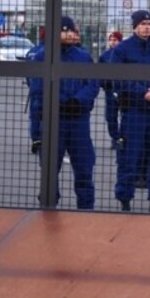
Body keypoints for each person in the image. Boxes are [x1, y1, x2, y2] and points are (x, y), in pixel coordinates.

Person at [30, 16, 99, 209]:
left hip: (79, 121)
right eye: (65, 30)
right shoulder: (43, 55)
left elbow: (92, 84)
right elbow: (38, 86)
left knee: (84, 167)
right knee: (50, 168)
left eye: (72, 30)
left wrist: (77, 101)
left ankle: (86, 208)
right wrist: (61, 102)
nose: (70, 34)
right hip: (53, 120)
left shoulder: (83, 56)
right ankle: (48, 205)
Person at [110, 10, 150, 213]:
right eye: (143, 24)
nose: (147, 27)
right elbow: (118, 79)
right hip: (134, 110)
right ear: (135, 26)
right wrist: (142, 92)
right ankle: (125, 198)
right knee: (130, 156)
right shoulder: (122, 50)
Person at [98, 31, 123, 151]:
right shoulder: (104, 56)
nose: (113, 42)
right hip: (109, 90)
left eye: (116, 40)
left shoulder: (124, 54)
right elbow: (99, 73)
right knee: (111, 116)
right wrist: (105, 84)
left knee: (124, 115)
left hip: (122, 90)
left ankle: (123, 137)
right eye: (111, 40)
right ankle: (115, 137)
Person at [25, 27, 46, 155]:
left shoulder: (32, 52)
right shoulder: (53, 51)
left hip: (35, 90)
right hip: (50, 90)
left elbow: (28, 73)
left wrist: (31, 85)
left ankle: (36, 139)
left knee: (35, 117)